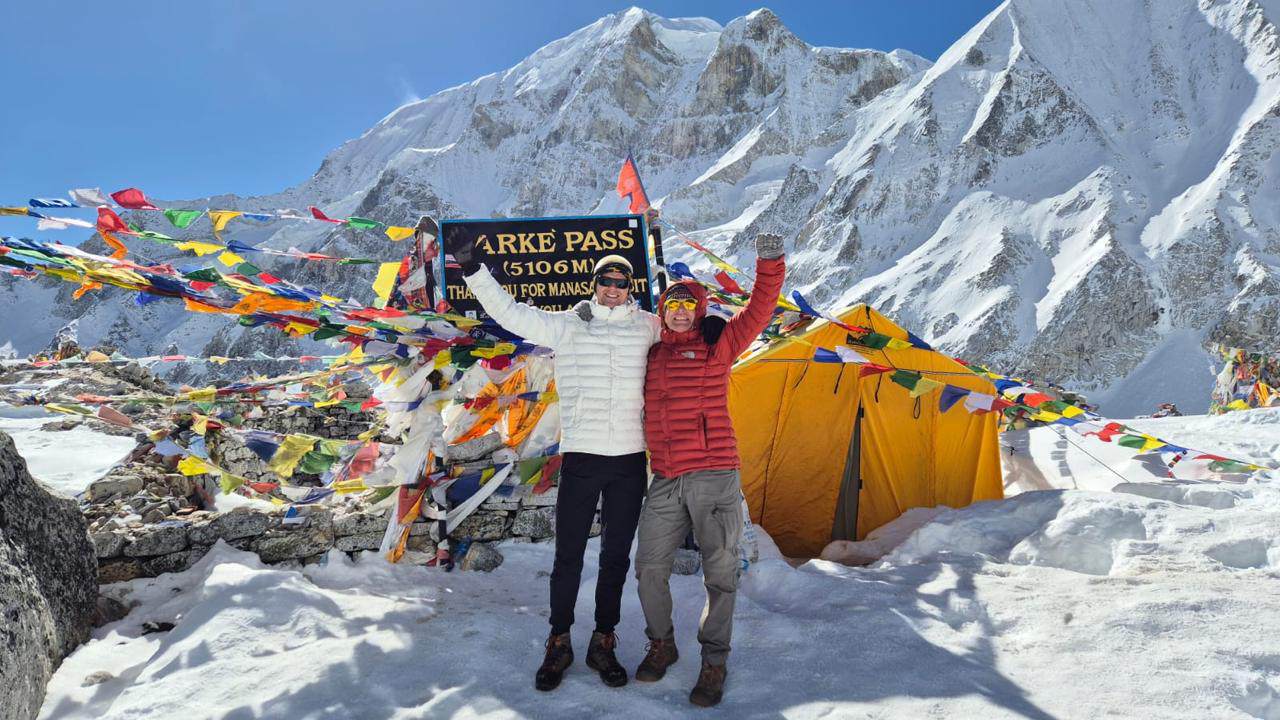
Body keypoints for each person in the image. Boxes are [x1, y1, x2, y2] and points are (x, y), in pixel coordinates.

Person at [455, 241, 660, 691]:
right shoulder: (567, 325)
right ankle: (559, 640)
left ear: (631, 287)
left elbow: (689, 335)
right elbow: (510, 314)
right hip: (583, 456)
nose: (613, 288)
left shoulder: (649, 327)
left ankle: (603, 641)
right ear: (594, 284)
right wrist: (472, 268)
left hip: (629, 460)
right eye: (605, 280)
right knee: (568, 555)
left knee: (615, 557)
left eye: (621, 281)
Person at [633, 232, 785, 707]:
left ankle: (714, 659)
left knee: (720, 572)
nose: (679, 311)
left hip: (714, 474)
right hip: (665, 477)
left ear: (699, 310)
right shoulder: (652, 352)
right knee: (648, 567)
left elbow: (759, 311)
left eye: (687, 304)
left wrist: (770, 264)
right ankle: (662, 643)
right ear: (662, 312)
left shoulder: (718, 344)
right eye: (672, 304)